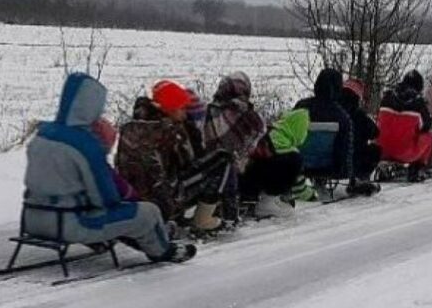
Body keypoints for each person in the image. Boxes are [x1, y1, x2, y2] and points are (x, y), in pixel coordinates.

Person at [22, 72, 195, 263]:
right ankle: (163, 251)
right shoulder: (85, 144)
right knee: (147, 212)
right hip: (68, 224)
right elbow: (105, 197)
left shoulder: (43, 134)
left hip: (32, 220)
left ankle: (104, 239)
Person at [115, 80, 233, 234]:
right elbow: (187, 165)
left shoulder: (131, 128)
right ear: (170, 108)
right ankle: (204, 220)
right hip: (164, 203)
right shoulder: (169, 131)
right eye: (182, 108)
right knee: (222, 159)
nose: (185, 114)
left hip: (133, 201)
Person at [293, 69, 380, 196]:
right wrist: (349, 172)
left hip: (299, 164)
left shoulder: (301, 106)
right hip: (331, 168)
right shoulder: (341, 116)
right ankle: (360, 179)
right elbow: (345, 149)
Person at [200, 72, 267, 222]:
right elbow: (258, 137)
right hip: (236, 171)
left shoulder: (208, 111)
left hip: (207, 170)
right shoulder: (247, 115)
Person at [241, 108, 310, 218]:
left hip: (242, 175)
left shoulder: (271, 131)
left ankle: (249, 197)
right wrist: (311, 195)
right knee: (293, 160)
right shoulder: (284, 146)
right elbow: (299, 186)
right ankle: (268, 201)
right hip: (255, 175)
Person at [379, 69, 432, 181]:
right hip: (406, 152)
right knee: (431, 137)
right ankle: (420, 167)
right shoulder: (418, 103)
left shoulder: (386, 97)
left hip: (383, 149)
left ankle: (386, 163)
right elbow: (426, 127)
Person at [340, 78, 383, 188]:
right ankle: (361, 177)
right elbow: (375, 133)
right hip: (352, 162)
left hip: (330, 161)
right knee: (375, 150)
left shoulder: (331, 110)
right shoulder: (359, 115)